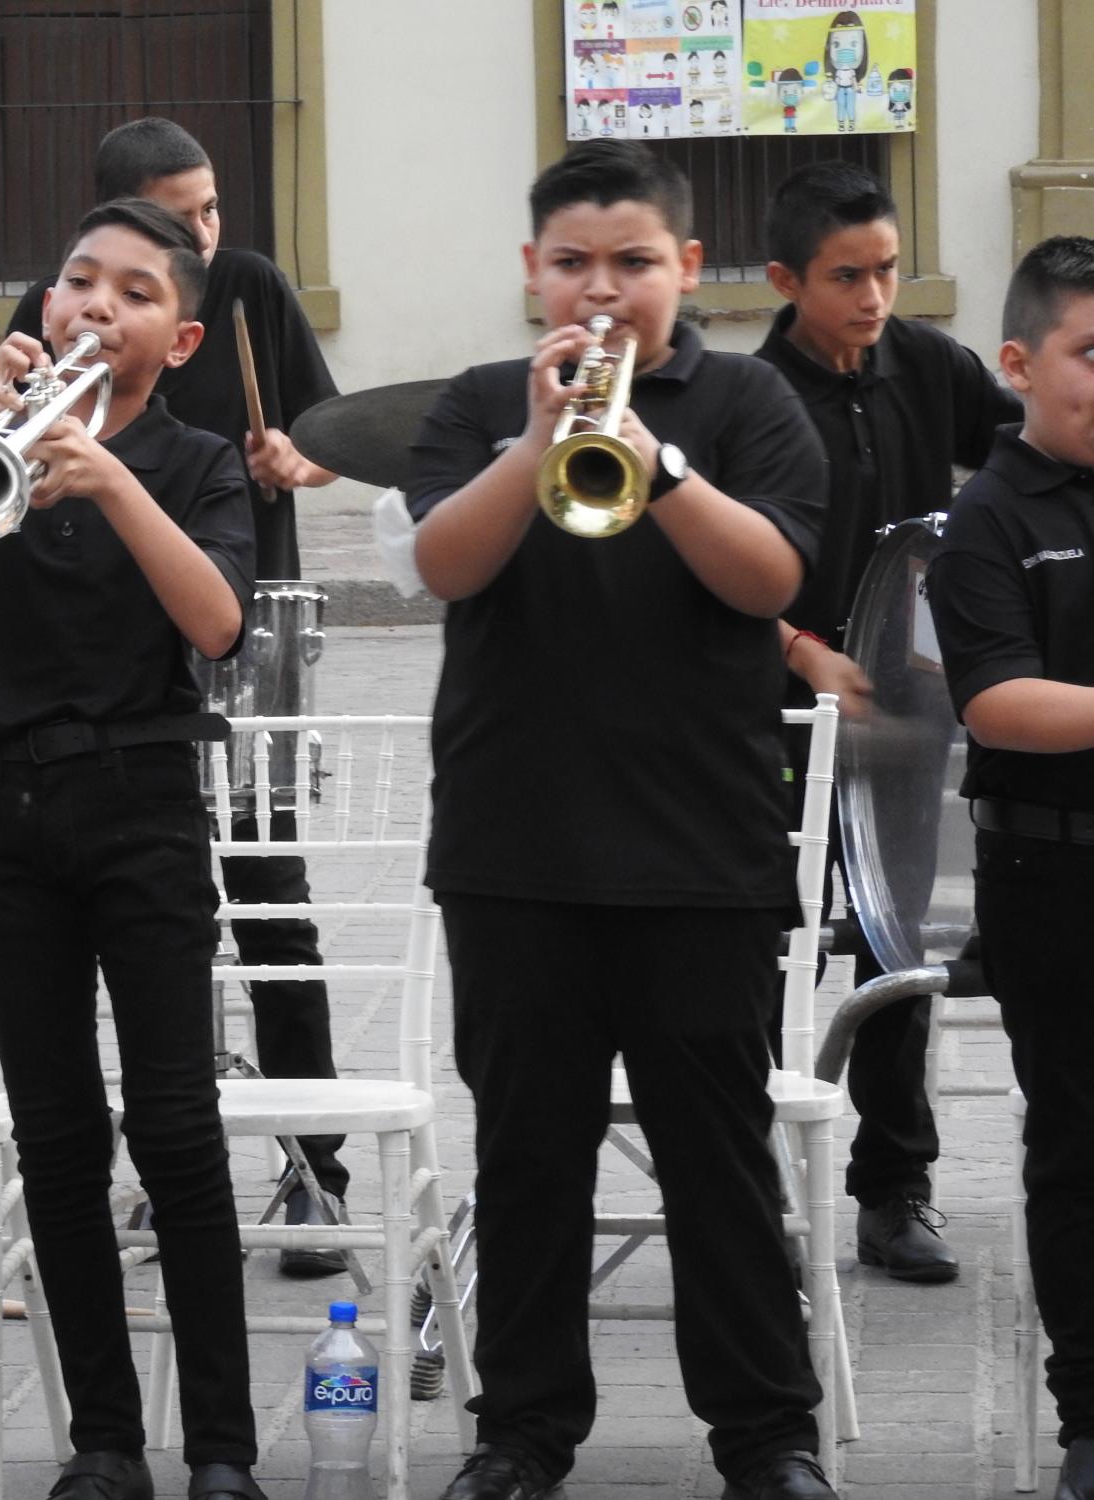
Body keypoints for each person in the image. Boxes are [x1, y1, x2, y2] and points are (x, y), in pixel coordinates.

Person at [405, 139, 834, 1500]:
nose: (605, 289)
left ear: (686, 271)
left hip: (698, 854)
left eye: (634, 262)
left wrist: (655, 457)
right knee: (528, 1161)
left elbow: (769, 583)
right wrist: (541, 438)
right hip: (514, 853)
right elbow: (442, 563)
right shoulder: (475, 403)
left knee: (717, 1168)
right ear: (533, 274)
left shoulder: (753, 398)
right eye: (575, 263)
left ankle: (767, 1439)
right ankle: (524, 1432)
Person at [0, 197, 266, 1500]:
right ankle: (104, 1443)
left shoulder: (193, 464)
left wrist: (113, 477)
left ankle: (226, 1452)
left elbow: (220, 627)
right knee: (58, 1135)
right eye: (78, 279)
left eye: (134, 292)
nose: (95, 304)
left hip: (142, 803)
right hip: (5, 816)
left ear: (178, 338)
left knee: (179, 1134)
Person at [6, 116, 350, 1276]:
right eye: (185, 212)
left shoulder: (244, 284)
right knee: (146, 918)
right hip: (104, 653)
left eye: (211, 208)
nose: (210, 228)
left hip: (238, 624)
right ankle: (170, 1160)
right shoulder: (59, 306)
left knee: (267, 898)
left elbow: (327, 436)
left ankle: (314, 1167)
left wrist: (290, 461)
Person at [757, 158, 1022, 1285]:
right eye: (845, 277)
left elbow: (1019, 462)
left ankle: (893, 1187)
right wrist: (795, 646)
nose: (872, 297)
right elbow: (716, 565)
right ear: (783, 280)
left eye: (886, 270)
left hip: (902, 718)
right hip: (772, 716)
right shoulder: (749, 400)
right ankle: (748, 1176)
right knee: (758, 951)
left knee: (891, 951)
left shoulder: (931, 365)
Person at [925, 234, 1094, 1500]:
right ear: (1021, 364)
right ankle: (1087, 1410)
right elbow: (996, 704)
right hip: (1053, 877)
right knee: (1076, 1148)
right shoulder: (989, 515)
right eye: (1090, 353)